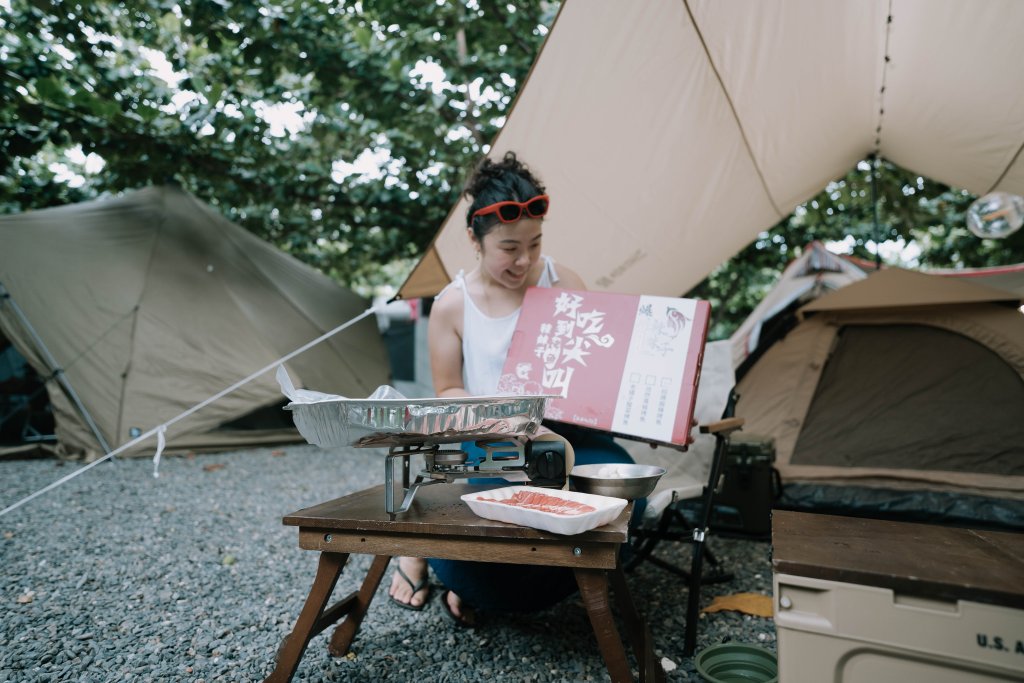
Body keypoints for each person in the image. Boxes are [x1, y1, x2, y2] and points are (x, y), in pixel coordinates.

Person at [387, 151, 637, 626]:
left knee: (621, 497)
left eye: (535, 245)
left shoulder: (564, 281)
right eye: (508, 248)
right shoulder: (453, 305)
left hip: (571, 436)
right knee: (476, 548)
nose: (524, 261)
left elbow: (594, 368)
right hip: (493, 443)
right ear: (474, 240)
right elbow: (448, 390)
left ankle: (556, 580)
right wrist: (498, 416)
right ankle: (457, 577)